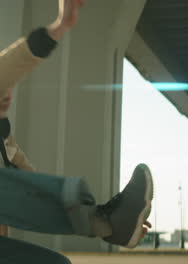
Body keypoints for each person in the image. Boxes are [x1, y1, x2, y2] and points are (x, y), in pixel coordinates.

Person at [0, 0, 153, 263]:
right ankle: (105, 223)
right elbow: (5, 69)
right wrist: (59, 27)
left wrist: (127, 220)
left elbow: (32, 190)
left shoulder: (6, 146)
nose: (7, 93)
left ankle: (108, 222)